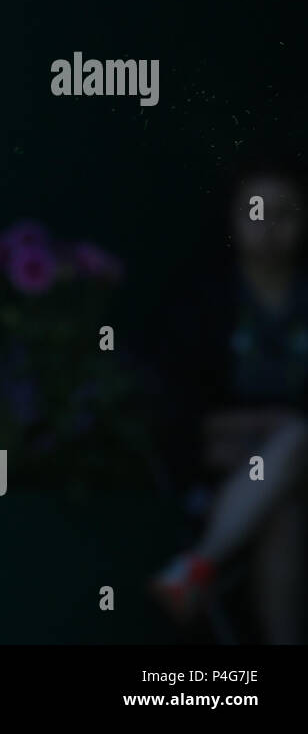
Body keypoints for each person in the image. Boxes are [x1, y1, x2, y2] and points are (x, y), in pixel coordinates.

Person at [151, 164, 307, 643]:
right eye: (254, 212)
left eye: (285, 213)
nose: (269, 228)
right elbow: (186, 416)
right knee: (285, 505)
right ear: (232, 219)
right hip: (226, 474)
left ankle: (196, 568)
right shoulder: (205, 301)